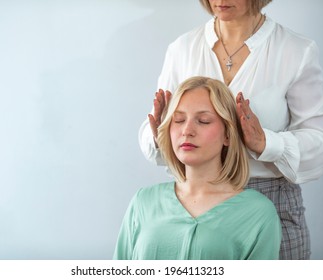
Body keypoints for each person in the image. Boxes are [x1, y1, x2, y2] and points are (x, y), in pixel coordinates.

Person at [138, 0, 323, 260]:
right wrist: (159, 132)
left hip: (271, 200)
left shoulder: (295, 50)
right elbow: (159, 136)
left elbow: (321, 146)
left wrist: (266, 143)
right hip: (197, 203)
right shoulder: (182, 49)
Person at [114, 76, 281, 260]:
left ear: (227, 134)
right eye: (178, 120)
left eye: (203, 121)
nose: (187, 130)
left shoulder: (258, 213)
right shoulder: (143, 202)